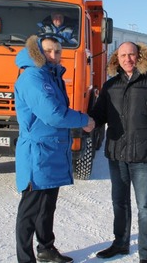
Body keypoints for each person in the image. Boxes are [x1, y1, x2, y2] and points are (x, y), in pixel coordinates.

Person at [89, 41, 147, 263]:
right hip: (117, 154)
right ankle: (120, 243)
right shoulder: (110, 86)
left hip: (144, 156)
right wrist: (80, 123)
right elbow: (98, 116)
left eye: (131, 55)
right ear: (116, 59)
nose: (127, 59)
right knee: (119, 203)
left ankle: (145, 254)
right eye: (123, 55)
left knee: (145, 208)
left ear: (139, 57)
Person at [14, 34, 95, 263]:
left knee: (47, 206)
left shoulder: (50, 75)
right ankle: (25, 258)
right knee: (30, 210)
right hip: (37, 152)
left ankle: (46, 249)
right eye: (48, 51)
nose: (53, 55)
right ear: (37, 52)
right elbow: (53, 114)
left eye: (57, 51)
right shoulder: (33, 77)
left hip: (52, 150)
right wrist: (84, 120)